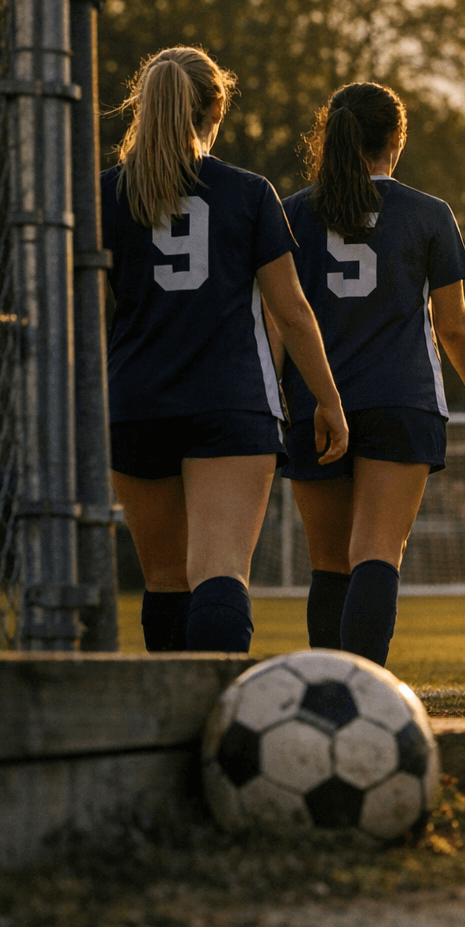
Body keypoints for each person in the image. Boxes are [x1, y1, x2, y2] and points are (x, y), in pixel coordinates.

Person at [102, 46, 348, 654]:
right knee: (219, 572)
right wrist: (329, 402)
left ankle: (172, 730)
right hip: (230, 401)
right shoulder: (247, 192)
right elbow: (290, 310)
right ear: (214, 106)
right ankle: (219, 724)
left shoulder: (104, 194)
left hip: (135, 403)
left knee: (163, 581)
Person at [280, 82, 465, 666]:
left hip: (314, 400)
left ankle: (327, 691)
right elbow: (450, 323)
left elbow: (280, 316)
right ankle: (366, 696)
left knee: (328, 562)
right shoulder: (428, 213)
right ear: (396, 139)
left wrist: (280, 398)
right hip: (401, 397)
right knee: (377, 551)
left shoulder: (296, 211)